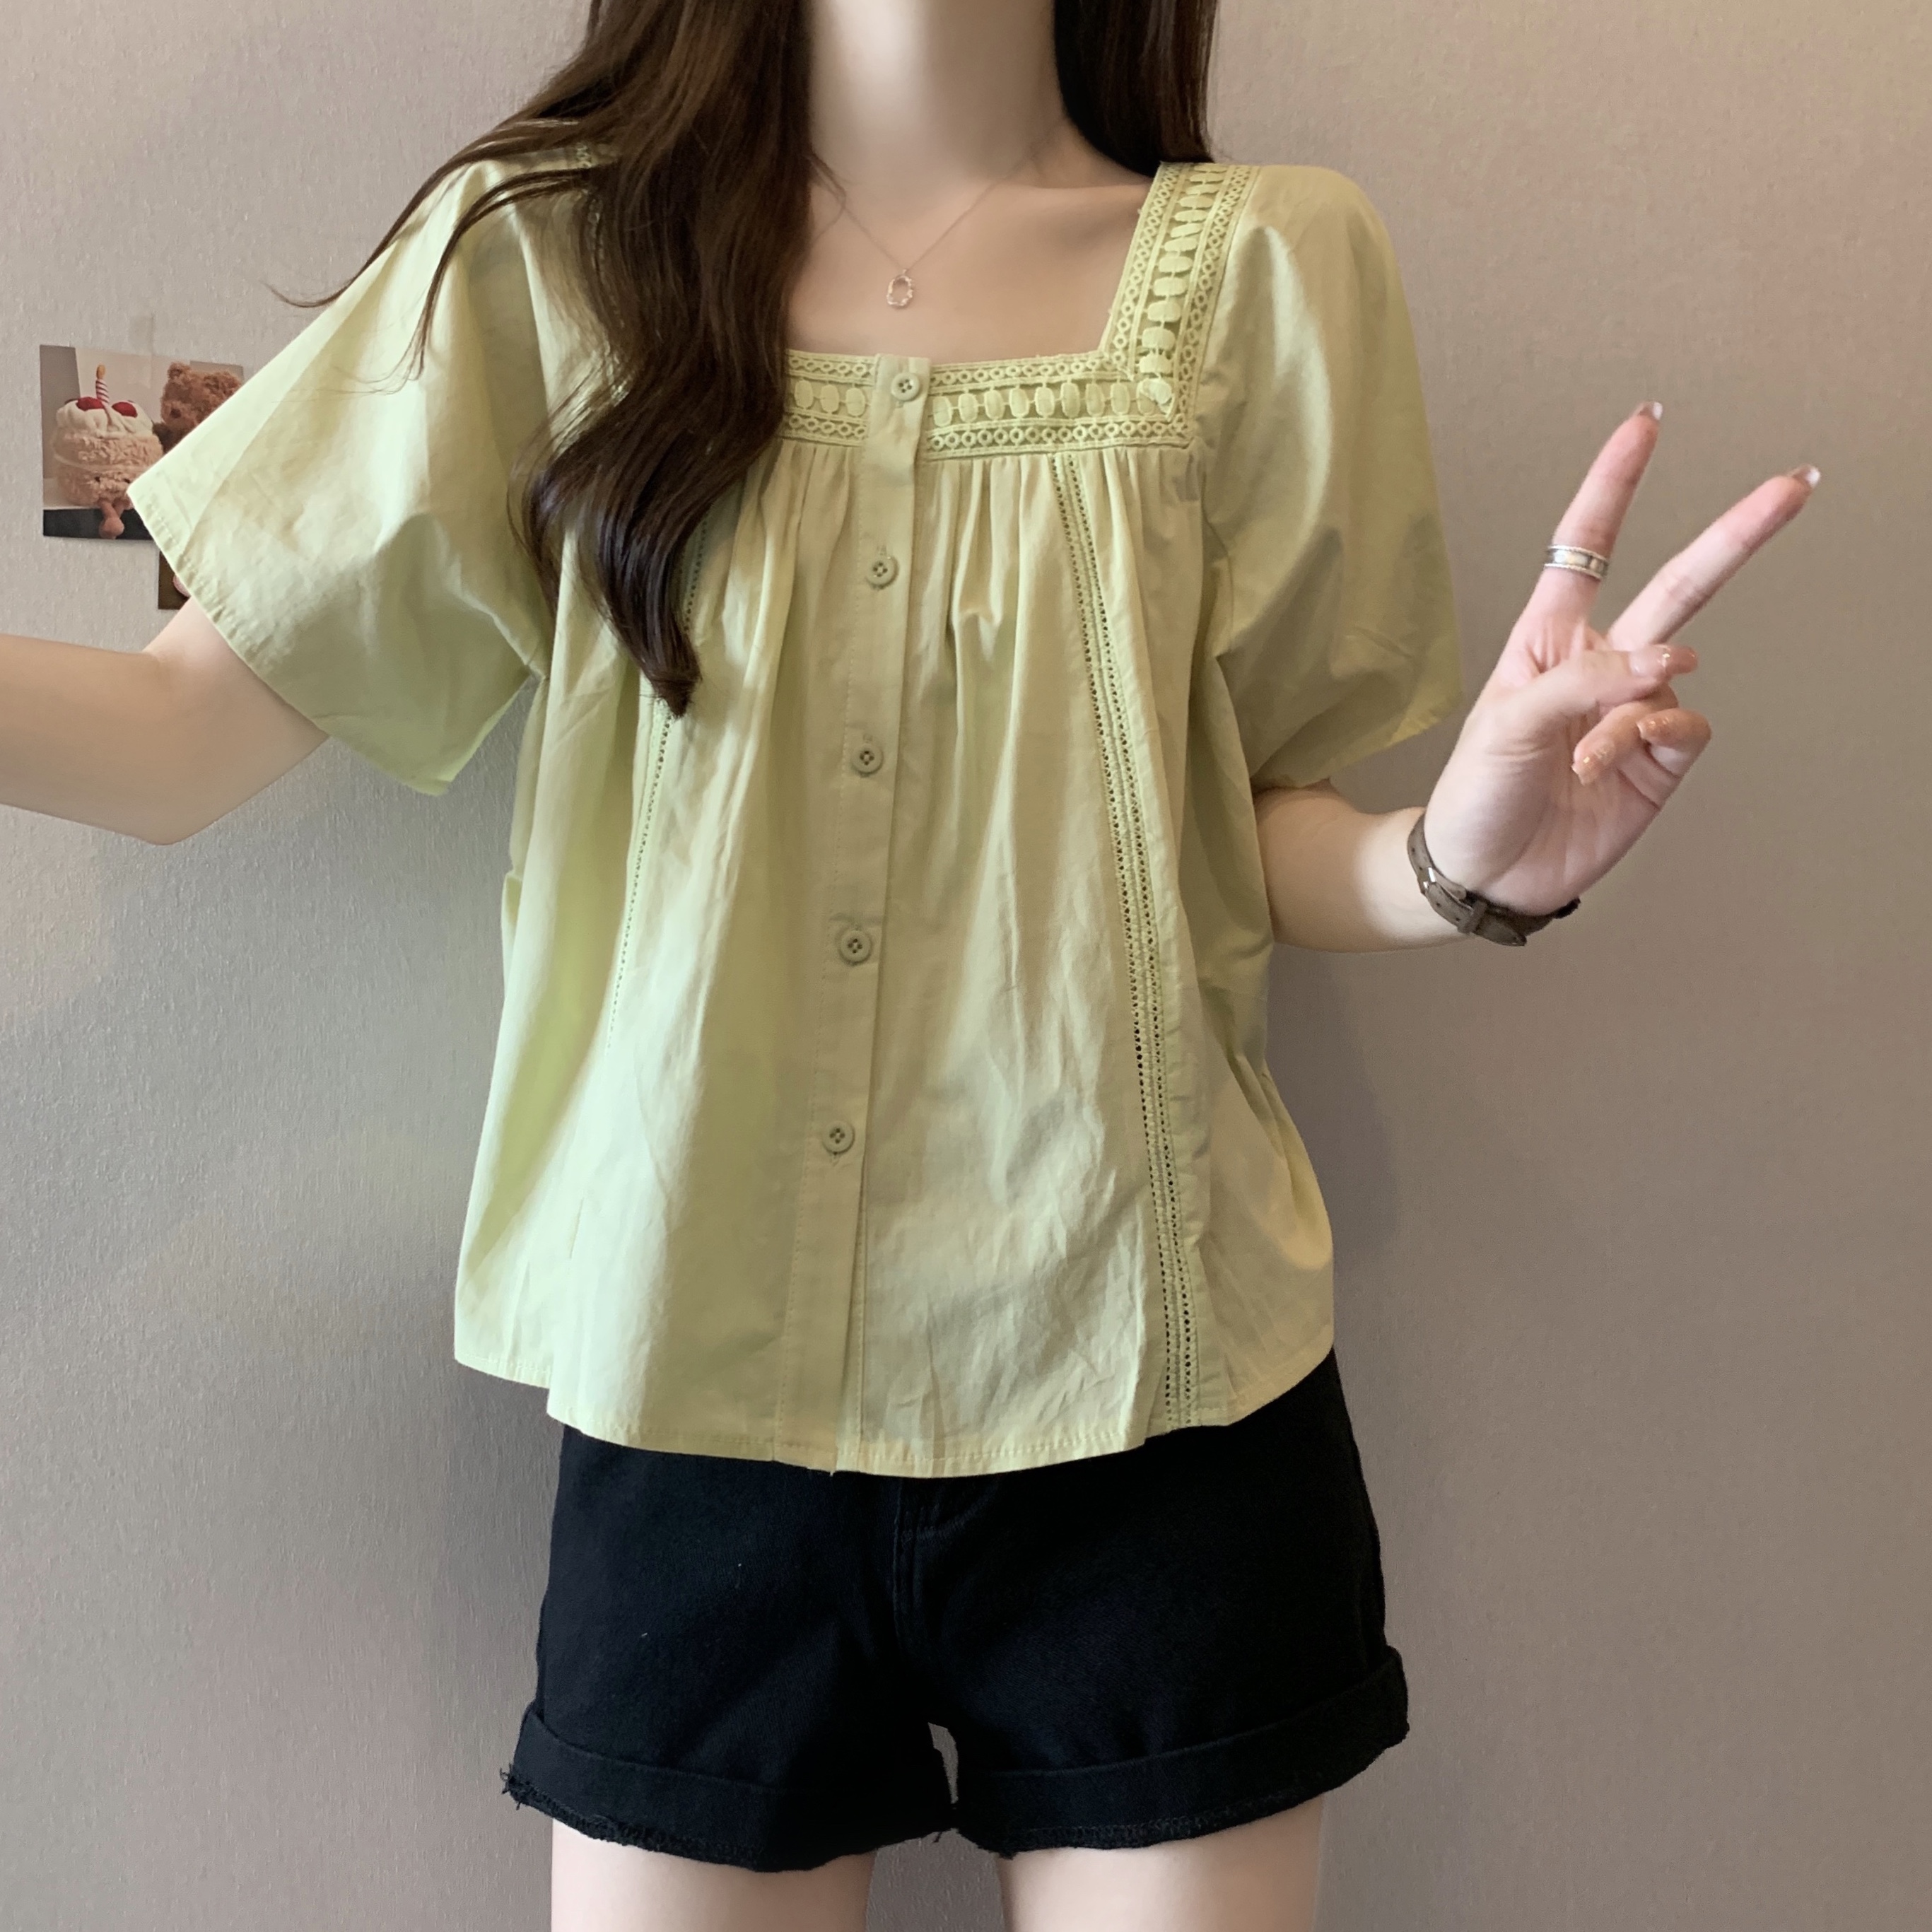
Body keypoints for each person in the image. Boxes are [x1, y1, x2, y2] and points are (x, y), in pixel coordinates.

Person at [0, 1, 1815, 1928]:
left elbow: (1244, 826)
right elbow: (178, 739)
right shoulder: (548, 262)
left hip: (1156, 1387)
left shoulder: (1275, 272)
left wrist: (1453, 865)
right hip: (692, 1389)